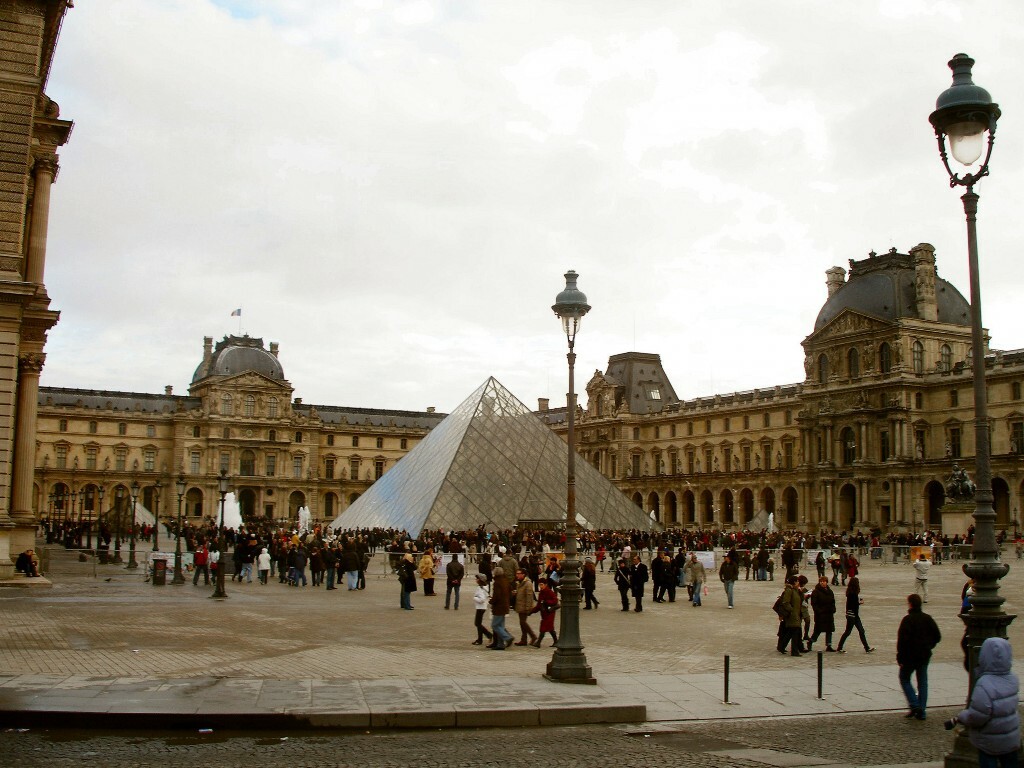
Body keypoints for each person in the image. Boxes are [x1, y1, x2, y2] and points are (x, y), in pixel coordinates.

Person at [952, 637, 1020, 768]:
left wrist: (962, 716)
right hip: (1010, 738)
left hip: (989, 741)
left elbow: (977, 716)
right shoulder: (1013, 679)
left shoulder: (984, 684)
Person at [897, 593, 941, 720]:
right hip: (924, 655)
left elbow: (902, 641)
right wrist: (929, 646)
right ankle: (921, 710)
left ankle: (914, 704)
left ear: (910, 604)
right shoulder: (927, 618)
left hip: (910, 656)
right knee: (922, 682)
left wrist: (900, 657)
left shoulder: (907, 620)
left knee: (904, 678)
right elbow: (937, 636)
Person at [836, 576, 875, 654]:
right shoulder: (852, 594)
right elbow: (853, 605)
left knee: (860, 631)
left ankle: (867, 648)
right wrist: (859, 603)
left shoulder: (851, 593)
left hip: (853, 615)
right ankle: (840, 647)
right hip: (852, 616)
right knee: (849, 632)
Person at [776, 574, 804, 656]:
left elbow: (800, 599)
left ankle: (782, 647)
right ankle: (794, 651)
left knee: (791, 632)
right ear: (794, 582)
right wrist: (791, 610)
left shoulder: (795, 590)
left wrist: (800, 591)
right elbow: (786, 602)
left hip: (796, 613)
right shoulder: (789, 590)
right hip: (792, 615)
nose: (798, 583)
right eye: (797, 581)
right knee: (794, 632)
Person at [806, 576, 837, 652]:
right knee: (818, 630)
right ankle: (811, 641)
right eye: (821, 581)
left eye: (824, 581)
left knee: (829, 630)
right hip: (821, 615)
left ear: (826, 582)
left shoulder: (830, 591)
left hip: (829, 614)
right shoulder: (816, 592)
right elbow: (814, 603)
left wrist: (833, 609)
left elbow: (833, 601)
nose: (822, 583)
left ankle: (829, 645)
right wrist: (819, 611)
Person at [488, 569, 514, 649]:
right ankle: (500, 644)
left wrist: (491, 601)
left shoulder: (497, 583)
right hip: (505, 606)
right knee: (501, 626)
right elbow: (510, 593)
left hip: (498, 607)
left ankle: (508, 637)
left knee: (495, 625)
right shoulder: (506, 581)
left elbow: (497, 595)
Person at [512, 568, 538, 646]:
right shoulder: (519, 583)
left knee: (523, 622)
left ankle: (533, 636)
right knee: (522, 623)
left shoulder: (527, 583)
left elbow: (529, 596)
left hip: (524, 606)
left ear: (523, 575)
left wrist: (528, 607)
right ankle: (524, 639)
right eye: (516, 573)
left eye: (518, 574)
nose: (517, 575)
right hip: (520, 605)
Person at [531, 577, 559, 647]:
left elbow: (555, 600)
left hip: (550, 612)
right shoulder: (541, 593)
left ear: (545, 584)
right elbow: (539, 605)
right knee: (550, 628)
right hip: (544, 613)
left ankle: (538, 642)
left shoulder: (549, 592)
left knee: (543, 627)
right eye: (539, 585)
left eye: (541, 585)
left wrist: (546, 602)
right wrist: (532, 611)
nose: (540, 586)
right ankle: (556, 641)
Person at [471, 574, 493, 646]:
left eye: (477, 579)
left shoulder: (480, 588)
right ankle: (481, 638)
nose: (476, 580)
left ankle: (486, 636)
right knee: (478, 623)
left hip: (480, 607)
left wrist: (475, 598)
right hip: (482, 607)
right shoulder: (484, 587)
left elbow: (482, 599)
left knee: (477, 623)